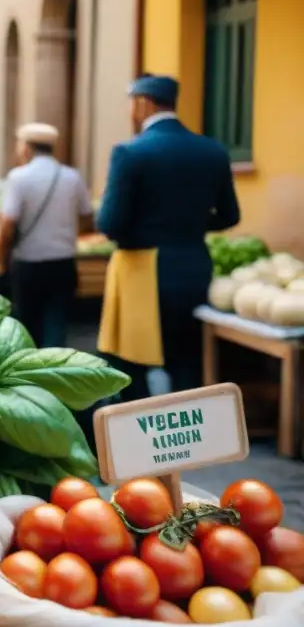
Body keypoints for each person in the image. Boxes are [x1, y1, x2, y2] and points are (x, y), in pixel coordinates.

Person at [97, 74, 240, 401]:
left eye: (131, 105)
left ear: (143, 103)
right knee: (186, 361)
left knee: (129, 365)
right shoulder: (212, 151)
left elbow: (110, 224)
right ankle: (190, 444)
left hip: (141, 273)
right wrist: (187, 224)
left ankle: (144, 443)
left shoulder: (129, 153)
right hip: (193, 267)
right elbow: (230, 215)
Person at [0, 123, 94, 347]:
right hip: (63, 263)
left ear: (26, 148)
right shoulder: (72, 177)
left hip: (28, 264)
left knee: (28, 326)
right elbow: (87, 216)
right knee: (58, 323)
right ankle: (54, 372)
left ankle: (32, 373)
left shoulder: (19, 178)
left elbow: (7, 225)